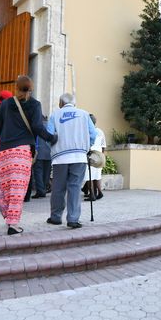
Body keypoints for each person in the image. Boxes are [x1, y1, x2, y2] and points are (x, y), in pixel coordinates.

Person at [0, 76, 56, 235]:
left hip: (4, 152)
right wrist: (52, 138)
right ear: (31, 88)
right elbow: (38, 127)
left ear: (16, 87)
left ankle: (7, 214)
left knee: (5, 187)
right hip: (22, 152)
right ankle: (13, 223)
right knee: (18, 188)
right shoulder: (35, 104)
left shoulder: (5, 104)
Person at [46, 93, 97, 229]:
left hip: (60, 158)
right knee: (75, 187)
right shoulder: (84, 114)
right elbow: (93, 134)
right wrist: (87, 146)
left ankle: (56, 217)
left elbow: (49, 136)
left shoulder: (55, 115)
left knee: (58, 188)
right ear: (73, 103)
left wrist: (53, 146)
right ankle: (73, 219)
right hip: (79, 157)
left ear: (60, 103)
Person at [84, 114, 106, 201]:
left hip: (91, 155)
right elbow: (103, 146)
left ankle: (92, 195)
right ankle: (100, 192)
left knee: (89, 176)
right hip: (100, 155)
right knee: (97, 175)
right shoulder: (100, 131)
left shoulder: (87, 131)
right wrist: (102, 155)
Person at [32, 115, 52, 198]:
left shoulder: (37, 126)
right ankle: (43, 188)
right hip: (49, 153)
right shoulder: (51, 125)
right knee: (46, 173)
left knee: (38, 173)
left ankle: (40, 191)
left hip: (39, 152)